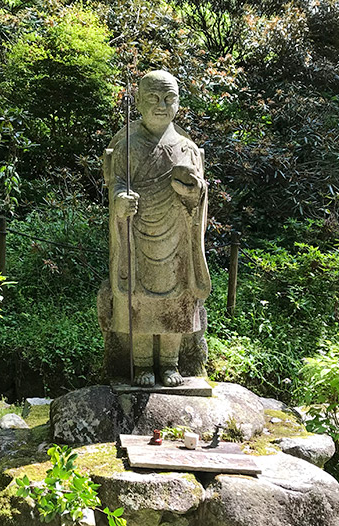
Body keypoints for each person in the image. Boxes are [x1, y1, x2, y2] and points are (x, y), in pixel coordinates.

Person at [102, 70, 211, 387]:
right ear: (138, 102)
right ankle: (142, 364)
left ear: (179, 104)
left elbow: (200, 191)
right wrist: (120, 200)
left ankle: (170, 363)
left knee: (176, 302)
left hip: (177, 238)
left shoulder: (187, 148)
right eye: (153, 98)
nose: (162, 105)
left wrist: (192, 190)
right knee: (139, 302)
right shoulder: (127, 144)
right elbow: (117, 184)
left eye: (169, 98)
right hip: (137, 235)